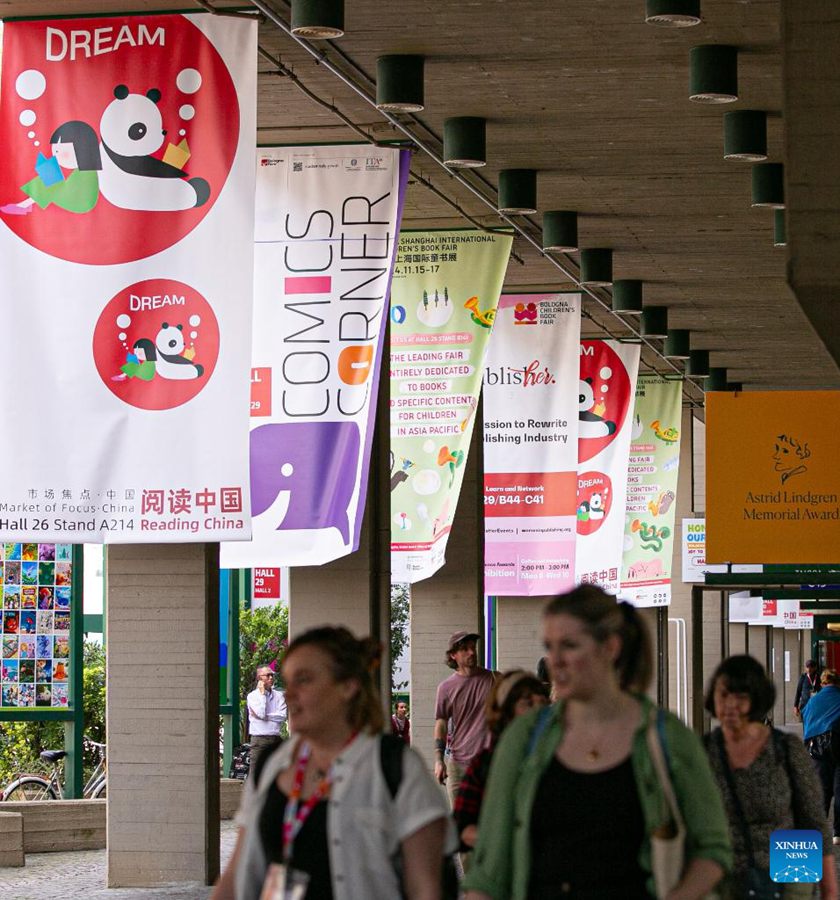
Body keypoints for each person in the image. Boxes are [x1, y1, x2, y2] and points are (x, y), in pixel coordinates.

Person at [463, 585, 731, 900]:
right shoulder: (524, 739)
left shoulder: (667, 737)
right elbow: (489, 873)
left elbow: (713, 849)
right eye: (549, 647)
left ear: (610, 647)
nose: (554, 661)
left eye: (570, 646)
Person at [212, 626, 454, 900]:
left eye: (303, 680)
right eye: (289, 682)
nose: (290, 694)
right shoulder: (273, 764)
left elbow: (428, 887)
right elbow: (236, 875)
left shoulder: (395, 766)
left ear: (348, 686)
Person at [704, 655, 836, 900]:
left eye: (741, 697)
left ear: (757, 701)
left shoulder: (785, 749)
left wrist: (829, 891)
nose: (730, 705)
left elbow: (813, 820)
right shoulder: (703, 753)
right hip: (720, 875)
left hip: (787, 867)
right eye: (723, 695)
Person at [454, 670, 548, 851]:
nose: (538, 711)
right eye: (527, 703)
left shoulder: (561, 758)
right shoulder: (485, 764)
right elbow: (461, 828)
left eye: (543, 702)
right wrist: (504, 840)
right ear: (505, 713)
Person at [433, 630, 495, 808]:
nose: (472, 652)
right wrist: (438, 760)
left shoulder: (494, 679)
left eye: (473, 647)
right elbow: (441, 724)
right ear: (453, 655)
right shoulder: (446, 688)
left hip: (488, 764)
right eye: (465, 649)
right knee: (461, 823)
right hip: (458, 765)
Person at [1, 121, 101, 216]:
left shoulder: (86, 172)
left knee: (51, 178)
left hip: (80, 202)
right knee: (50, 175)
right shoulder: (84, 170)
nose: (56, 155)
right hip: (75, 197)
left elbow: (78, 193)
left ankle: (24, 205)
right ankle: (25, 205)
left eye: (60, 151)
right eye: (56, 151)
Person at [802, 668, 840, 846]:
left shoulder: (813, 700)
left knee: (822, 791)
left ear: (823, 683)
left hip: (818, 749)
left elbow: (806, 718)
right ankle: (837, 833)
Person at [246, 664, 287, 772]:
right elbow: (261, 713)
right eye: (267, 675)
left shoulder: (279, 696)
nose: (271, 678)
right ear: (259, 678)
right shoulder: (253, 696)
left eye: (272, 675)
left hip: (275, 738)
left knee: (278, 773)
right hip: (259, 740)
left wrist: (266, 717)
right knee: (256, 774)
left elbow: (282, 716)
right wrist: (263, 695)